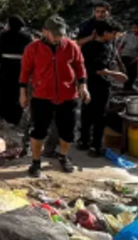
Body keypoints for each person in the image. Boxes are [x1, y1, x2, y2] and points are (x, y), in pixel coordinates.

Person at [19, 15, 88, 177]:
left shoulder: (71, 46)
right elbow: (25, 72)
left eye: (61, 34)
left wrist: (83, 86)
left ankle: (63, 157)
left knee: (67, 131)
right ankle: (36, 162)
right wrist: (22, 93)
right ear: (44, 32)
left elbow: (80, 67)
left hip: (68, 95)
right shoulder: (33, 48)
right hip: (42, 96)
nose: (59, 37)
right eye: (55, 34)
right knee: (38, 131)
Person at [79, 20, 126, 156]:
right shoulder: (91, 47)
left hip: (100, 83)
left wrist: (120, 66)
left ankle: (85, 141)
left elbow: (114, 55)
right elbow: (96, 69)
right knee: (97, 115)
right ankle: (94, 145)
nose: (115, 36)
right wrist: (115, 74)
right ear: (105, 33)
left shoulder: (109, 44)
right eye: (114, 33)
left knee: (89, 113)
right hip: (94, 84)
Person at [0, 16, 32, 126]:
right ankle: (15, 118)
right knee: (17, 93)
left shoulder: (4, 36)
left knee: (3, 92)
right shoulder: (26, 37)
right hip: (20, 69)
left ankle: (2, 116)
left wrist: (4, 63)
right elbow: (31, 54)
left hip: (6, 69)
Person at [118, 21, 138, 92]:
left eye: (136, 28)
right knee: (128, 72)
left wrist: (136, 59)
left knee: (133, 73)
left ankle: (128, 87)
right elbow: (120, 46)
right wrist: (118, 55)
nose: (134, 29)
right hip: (125, 55)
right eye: (133, 28)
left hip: (134, 57)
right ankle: (126, 88)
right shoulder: (127, 36)